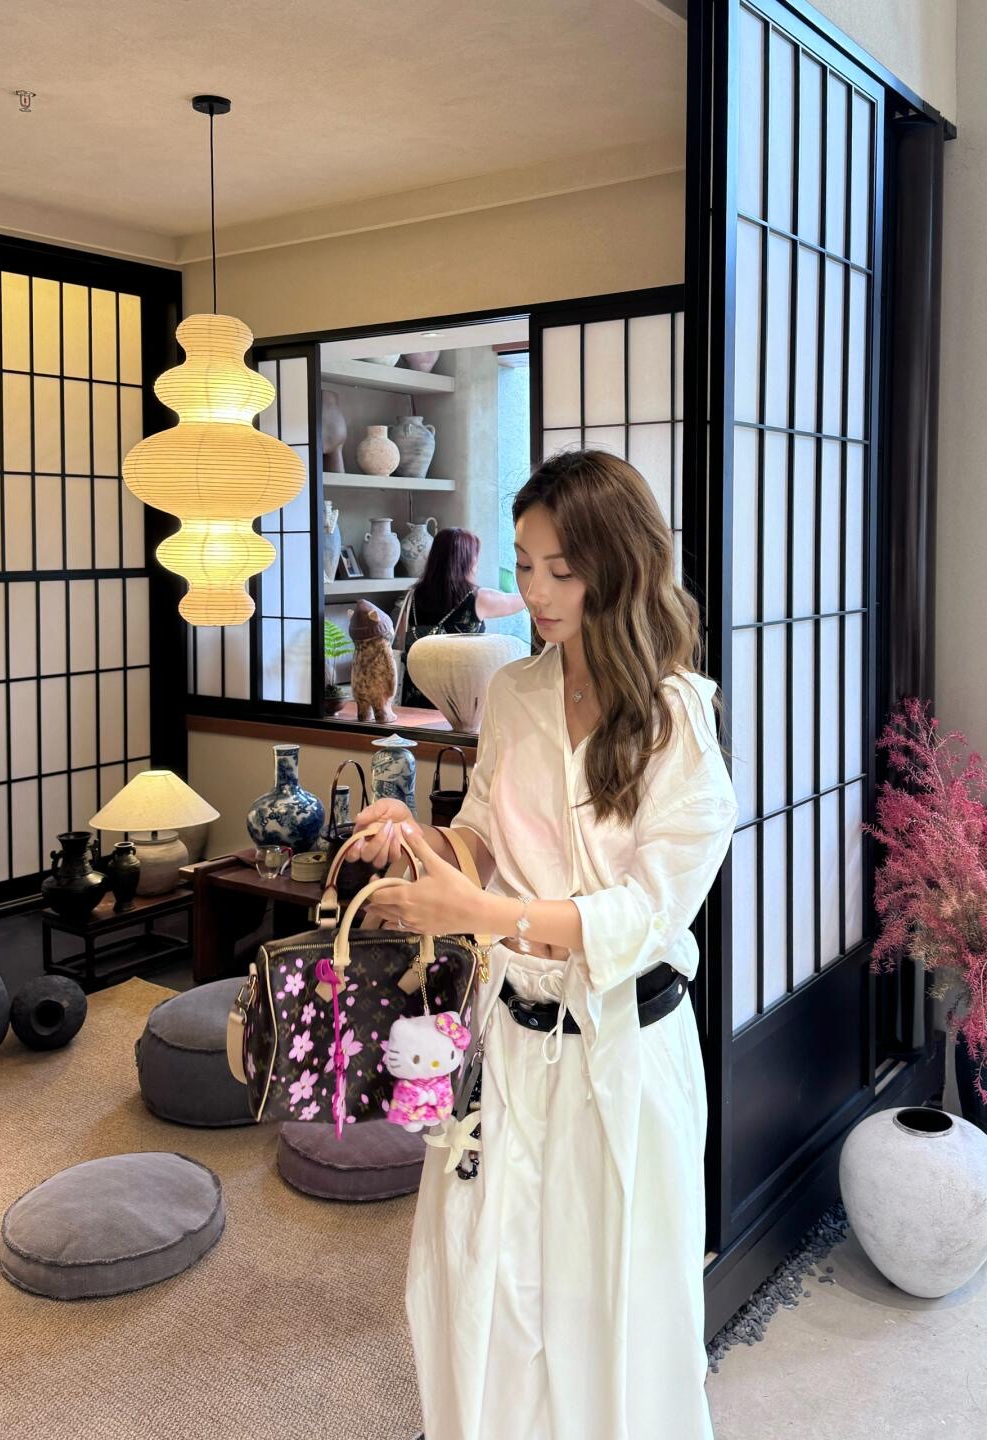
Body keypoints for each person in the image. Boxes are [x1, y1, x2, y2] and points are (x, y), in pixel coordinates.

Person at [347, 449, 738, 1440]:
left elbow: (650, 915)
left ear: (620, 566)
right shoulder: (516, 692)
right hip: (509, 1049)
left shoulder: (679, 721)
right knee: (487, 1293)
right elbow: (482, 834)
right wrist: (419, 840)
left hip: (625, 1056)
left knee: (619, 1317)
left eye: (562, 569)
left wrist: (481, 918)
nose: (537, 592)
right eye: (524, 565)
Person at [397, 526, 526, 708]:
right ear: (468, 560)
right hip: (459, 701)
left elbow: (401, 641)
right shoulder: (477, 598)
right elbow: (520, 601)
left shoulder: (412, 595)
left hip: (417, 697)